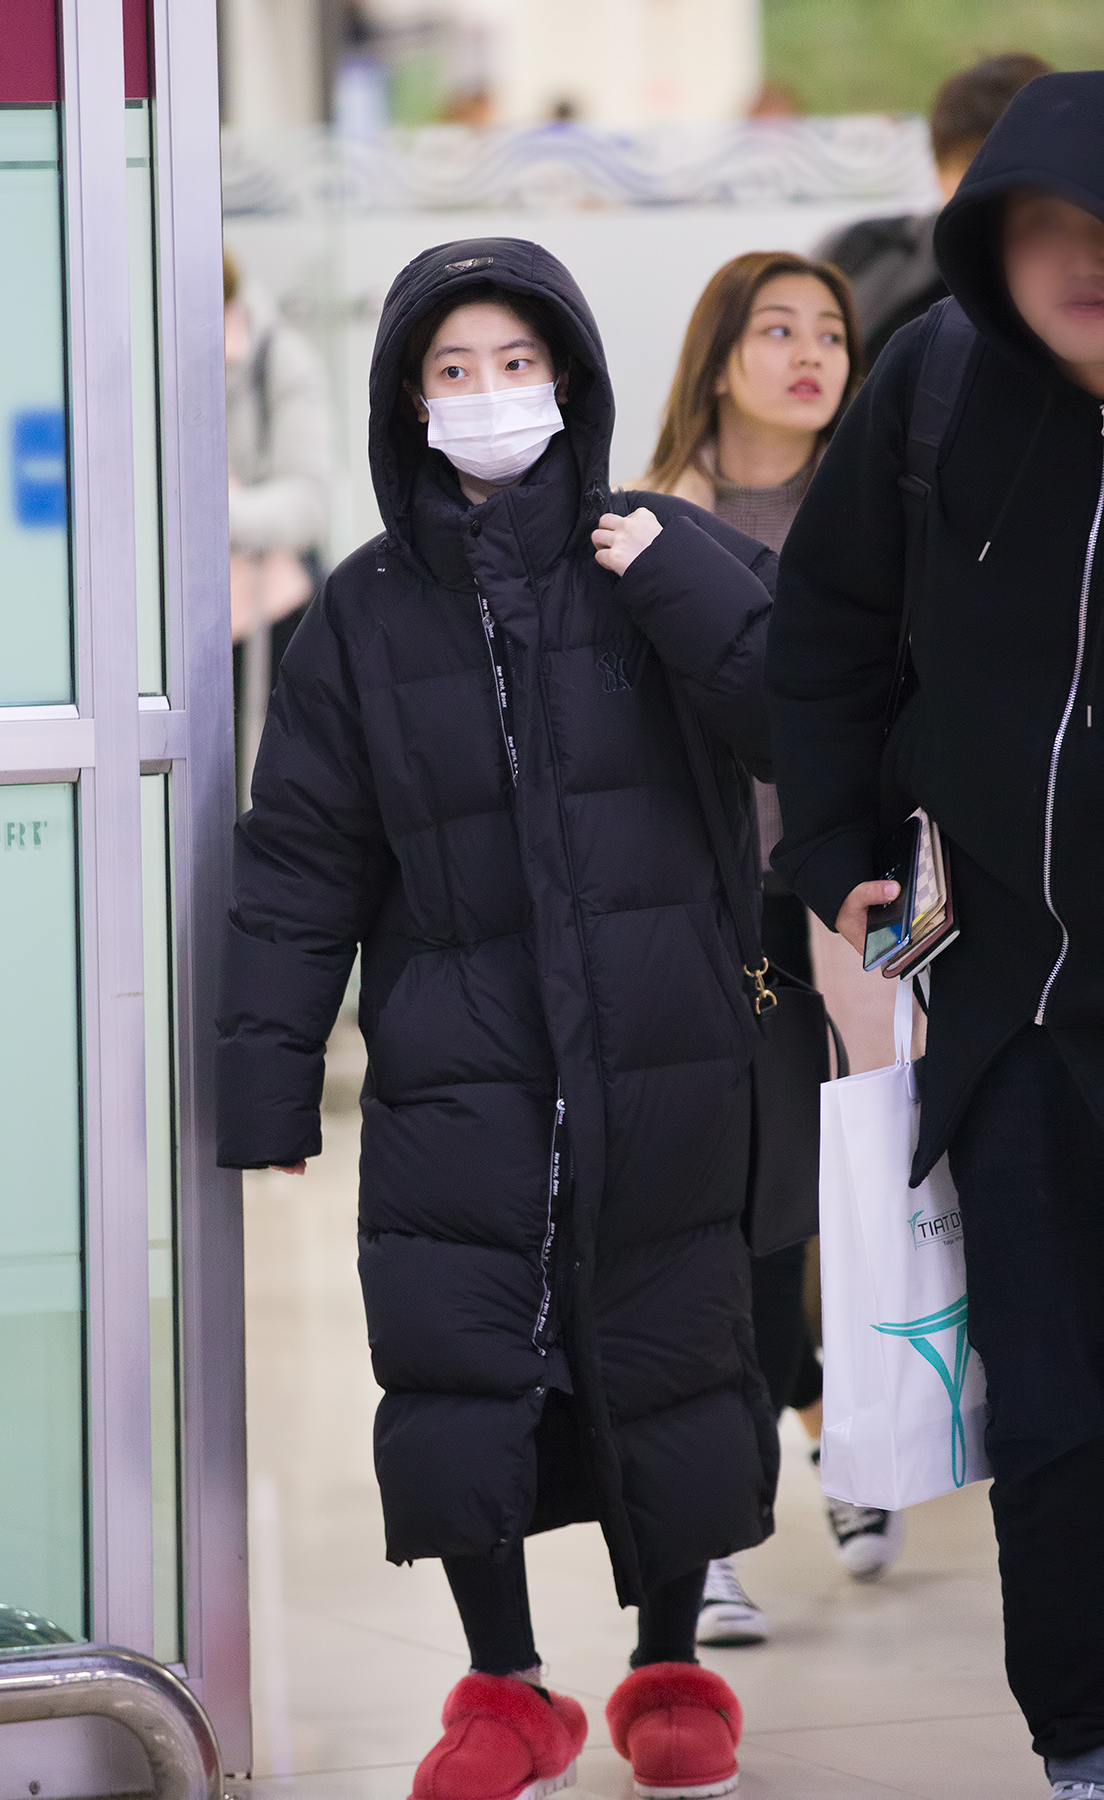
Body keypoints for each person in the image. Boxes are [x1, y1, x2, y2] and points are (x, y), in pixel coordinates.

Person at [218, 236, 782, 1800]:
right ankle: (507, 1685)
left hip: (662, 1034)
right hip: (458, 1048)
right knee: (462, 1352)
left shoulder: (657, 549)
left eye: (516, 364)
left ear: (570, 378)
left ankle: (670, 1662)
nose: (488, 394)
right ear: (410, 401)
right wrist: (267, 1081)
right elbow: (301, 857)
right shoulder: (362, 611)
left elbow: (796, 709)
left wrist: (670, 580)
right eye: (454, 370)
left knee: (672, 1338)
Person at [766, 71, 1104, 1798]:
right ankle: (1085, 1738)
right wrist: (836, 849)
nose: (1078, 260)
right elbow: (824, 629)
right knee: (1054, 1409)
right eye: (1041, 228)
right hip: (1019, 1015)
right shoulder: (940, 384)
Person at [642, 251, 898, 1645]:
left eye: (832, 334)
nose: (811, 354)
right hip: (706, 912)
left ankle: (858, 1440)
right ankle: (722, 1531)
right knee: (740, 1217)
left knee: (849, 1196)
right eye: (777, 329)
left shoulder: (882, 513)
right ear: (719, 353)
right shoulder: (646, 519)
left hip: (862, 905)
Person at [818, 52, 1052, 366]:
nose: (990, 185)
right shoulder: (860, 251)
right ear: (938, 171)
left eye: (1014, 164)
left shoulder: (1083, 273)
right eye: (971, 162)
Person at [224, 248, 331, 803]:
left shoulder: (278, 359)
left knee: (265, 791)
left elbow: (310, 501)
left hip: (269, 615)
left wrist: (216, 515)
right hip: (169, 627)